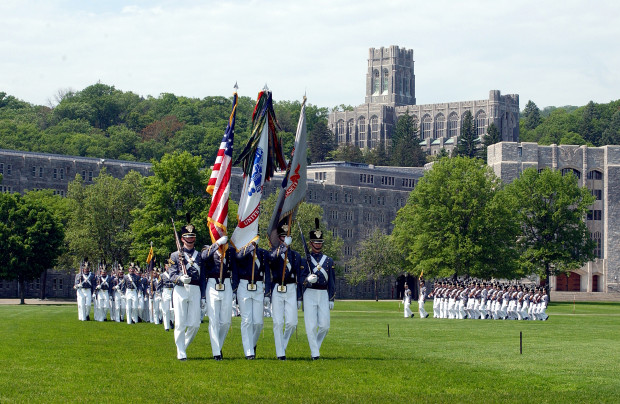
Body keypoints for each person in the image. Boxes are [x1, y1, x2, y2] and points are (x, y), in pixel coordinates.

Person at [169, 219, 207, 361]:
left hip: (195, 289)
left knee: (195, 324)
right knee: (180, 323)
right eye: (187, 237)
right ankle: (181, 352)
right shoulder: (175, 255)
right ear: (182, 239)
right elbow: (172, 275)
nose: (190, 240)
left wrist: (203, 296)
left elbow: (203, 277)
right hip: (180, 289)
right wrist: (180, 278)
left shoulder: (200, 256)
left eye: (192, 237)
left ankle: (182, 346)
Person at [300, 220, 335, 360]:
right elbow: (300, 280)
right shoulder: (304, 260)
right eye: (316, 242)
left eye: (320, 242)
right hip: (310, 293)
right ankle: (315, 353)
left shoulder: (328, 260)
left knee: (325, 326)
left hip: (323, 293)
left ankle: (316, 347)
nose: (318, 245)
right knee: (311, 325)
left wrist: (331, 298)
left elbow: (332, 280)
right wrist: (307, 280)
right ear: (310, 244)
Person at [268, 223, 302, 360]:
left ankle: (282, 345)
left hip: (291, 289)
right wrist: (283, 247)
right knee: (278, 322)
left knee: (292, 323)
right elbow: (271, 259)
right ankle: (280, 353)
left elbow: (299, 277)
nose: (284, 239)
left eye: (287, 237)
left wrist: (299, 297)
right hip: (277, 288)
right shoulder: (273, 252)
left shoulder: (295, 256)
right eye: (282, 237)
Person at [233, 239, 270, 359]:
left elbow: (267, 273)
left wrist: (268, 293)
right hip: (244, 285)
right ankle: (248, 351)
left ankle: (252, 344)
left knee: (258, 322)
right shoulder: (241, 252)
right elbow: (238, 258)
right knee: (247, 320)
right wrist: (249, 247)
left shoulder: (263, 253)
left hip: (258, 286)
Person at [202, 235, 233, 361]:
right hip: (212, 285)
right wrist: (216, 245)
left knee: (226, 321)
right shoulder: (209, 250)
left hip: (226, 283)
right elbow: (204, 257)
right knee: (214, 320)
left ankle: (218, 345)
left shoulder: (229, 251)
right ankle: (216, 352)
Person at [160, 260, 175, 331]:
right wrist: (159, 295)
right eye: (167, 266)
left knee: (173, 310)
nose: (168, 267)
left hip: (172, 291)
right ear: (165, 267)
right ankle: (166, 327)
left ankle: (171, 320)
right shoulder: (162, 275)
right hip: (165, 291)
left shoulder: (174, 274)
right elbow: (159, 286)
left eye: (170, 266)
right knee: (165, 310)